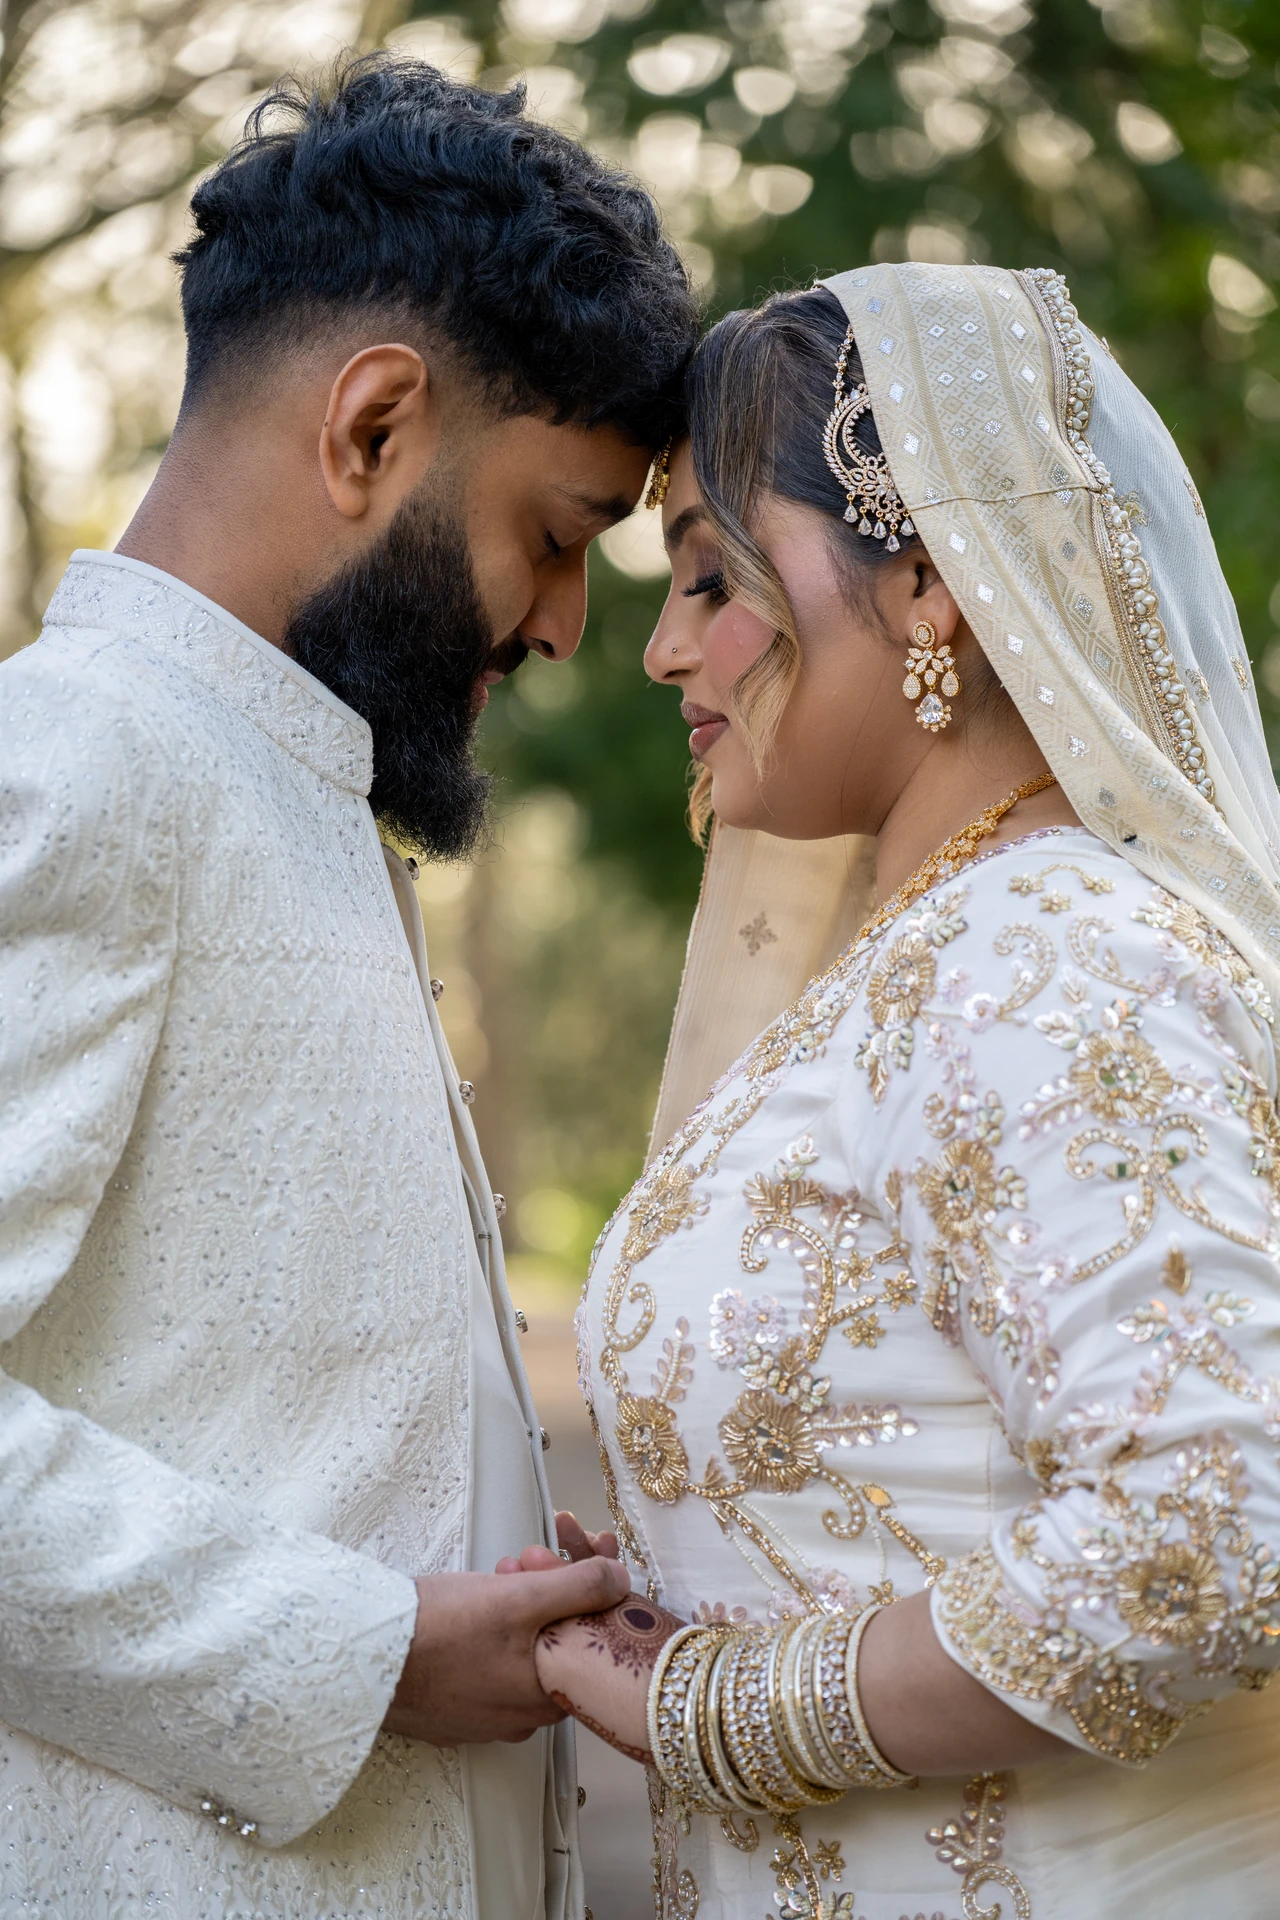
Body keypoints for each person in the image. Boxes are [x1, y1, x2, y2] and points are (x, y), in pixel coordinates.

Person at [0, 53, 699, 1919]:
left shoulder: (296, 792)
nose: (565, 625)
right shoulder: (79, 763)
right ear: (375, 426)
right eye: (559, 532)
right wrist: (363, 1651)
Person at [524, 264, 1280, 1916]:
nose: (661, 650)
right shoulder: (920, 965)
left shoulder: (1057, 951)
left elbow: (1209, 1529)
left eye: (714, 578)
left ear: (929, 581)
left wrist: (714, 1706)